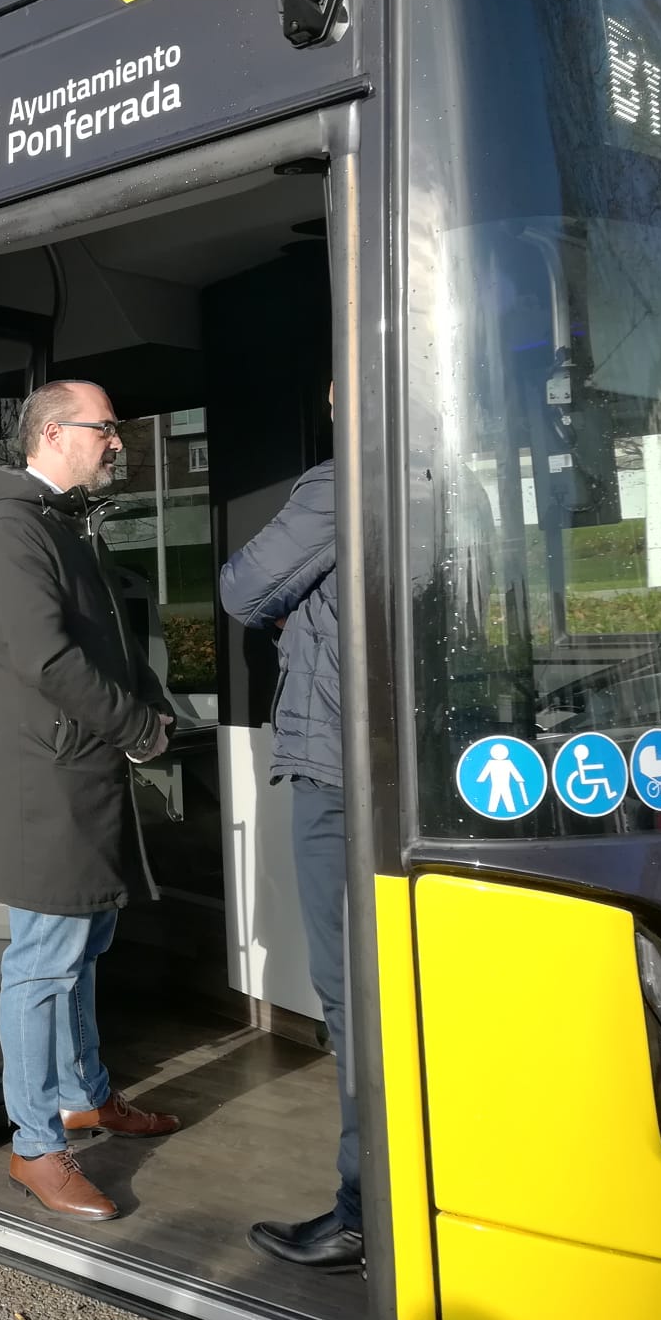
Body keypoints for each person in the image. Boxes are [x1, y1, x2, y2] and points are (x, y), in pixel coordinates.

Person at [0, 378, 179, 1223]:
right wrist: (139, 729)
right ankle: (36, 1148)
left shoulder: (52, 522)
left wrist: (146, 705)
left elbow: (98, 643)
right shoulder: (12, 527)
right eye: (106, 429)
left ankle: (85, 1097)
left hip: (78, 775)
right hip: (50, 785)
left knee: (80, 948)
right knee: (44, 965)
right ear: (54, 434)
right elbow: (47, 660)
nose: (116, 442)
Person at [217, 381, 358, 1271]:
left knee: (351, 995)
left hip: (336, 772)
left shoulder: (336, 486)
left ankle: (364, 1214)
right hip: (398, 764)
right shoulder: (454, 480)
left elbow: (240, 590)